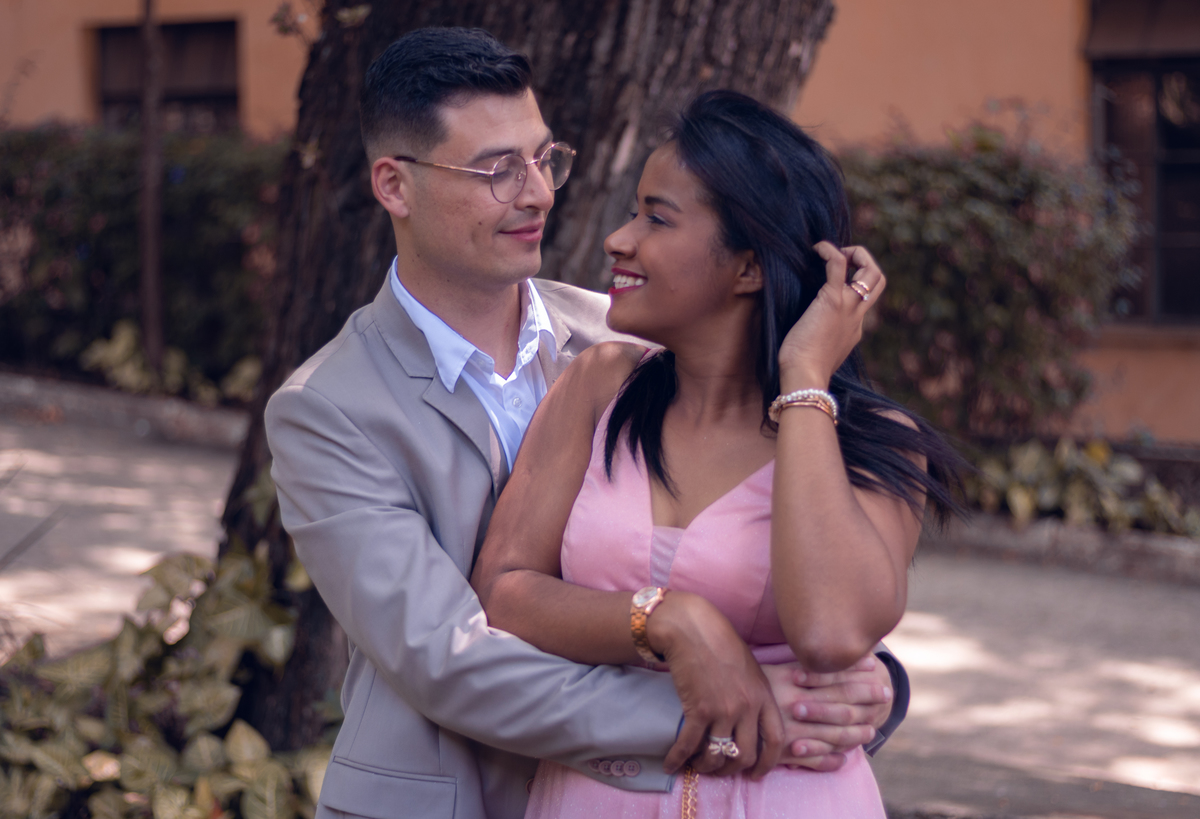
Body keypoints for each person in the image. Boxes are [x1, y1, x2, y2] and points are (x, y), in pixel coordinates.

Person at [265, 28, 910, 819]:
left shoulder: (631, 341)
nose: (538, 193)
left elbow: (773, 564)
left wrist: (862, 684)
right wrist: (731, 700)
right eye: (498, 170)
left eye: (545, 159)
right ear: (395, 186)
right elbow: (446, 659)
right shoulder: (327, 407)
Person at [471, 89, 963, 817]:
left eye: (656, 218)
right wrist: (665, 618)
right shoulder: (601, 386)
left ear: (749, 267)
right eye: (634, 211)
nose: (619, 239)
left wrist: (805, 379)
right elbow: (504, 592)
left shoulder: (875, 442)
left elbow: (830, 634)